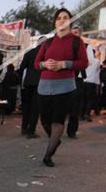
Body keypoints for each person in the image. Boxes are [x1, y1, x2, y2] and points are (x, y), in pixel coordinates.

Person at [34, 8, 88, 167]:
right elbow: (36, 63)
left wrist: (65, 64)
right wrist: (45, 64)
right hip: (44, 85)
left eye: (65, 17)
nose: (62, 20)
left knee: (57, 121)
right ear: (55, 22)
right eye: (59, 18)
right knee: (44, 120)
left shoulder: (77, 42)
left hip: (65, 86)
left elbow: (84, 63)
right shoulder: (48, 42)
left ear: (70, 21)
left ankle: (48, 155)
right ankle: (55, 140)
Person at [18, 39, 43, 139]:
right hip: (40, 83)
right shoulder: (45, 53)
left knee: (26, 107)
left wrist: (21, 82)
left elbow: (21, 68)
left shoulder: (29, 52)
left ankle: (24, 128)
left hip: (27, 83)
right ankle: (31, 131)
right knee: (35, 108)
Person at [81, 48, 100, 121]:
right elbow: (97, 70)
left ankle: (81, 114)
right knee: (90, 99)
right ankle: (86, 113)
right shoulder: (97, 61)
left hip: (83, 81)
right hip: (92, 82)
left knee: (83, 99)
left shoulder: (83, 60)